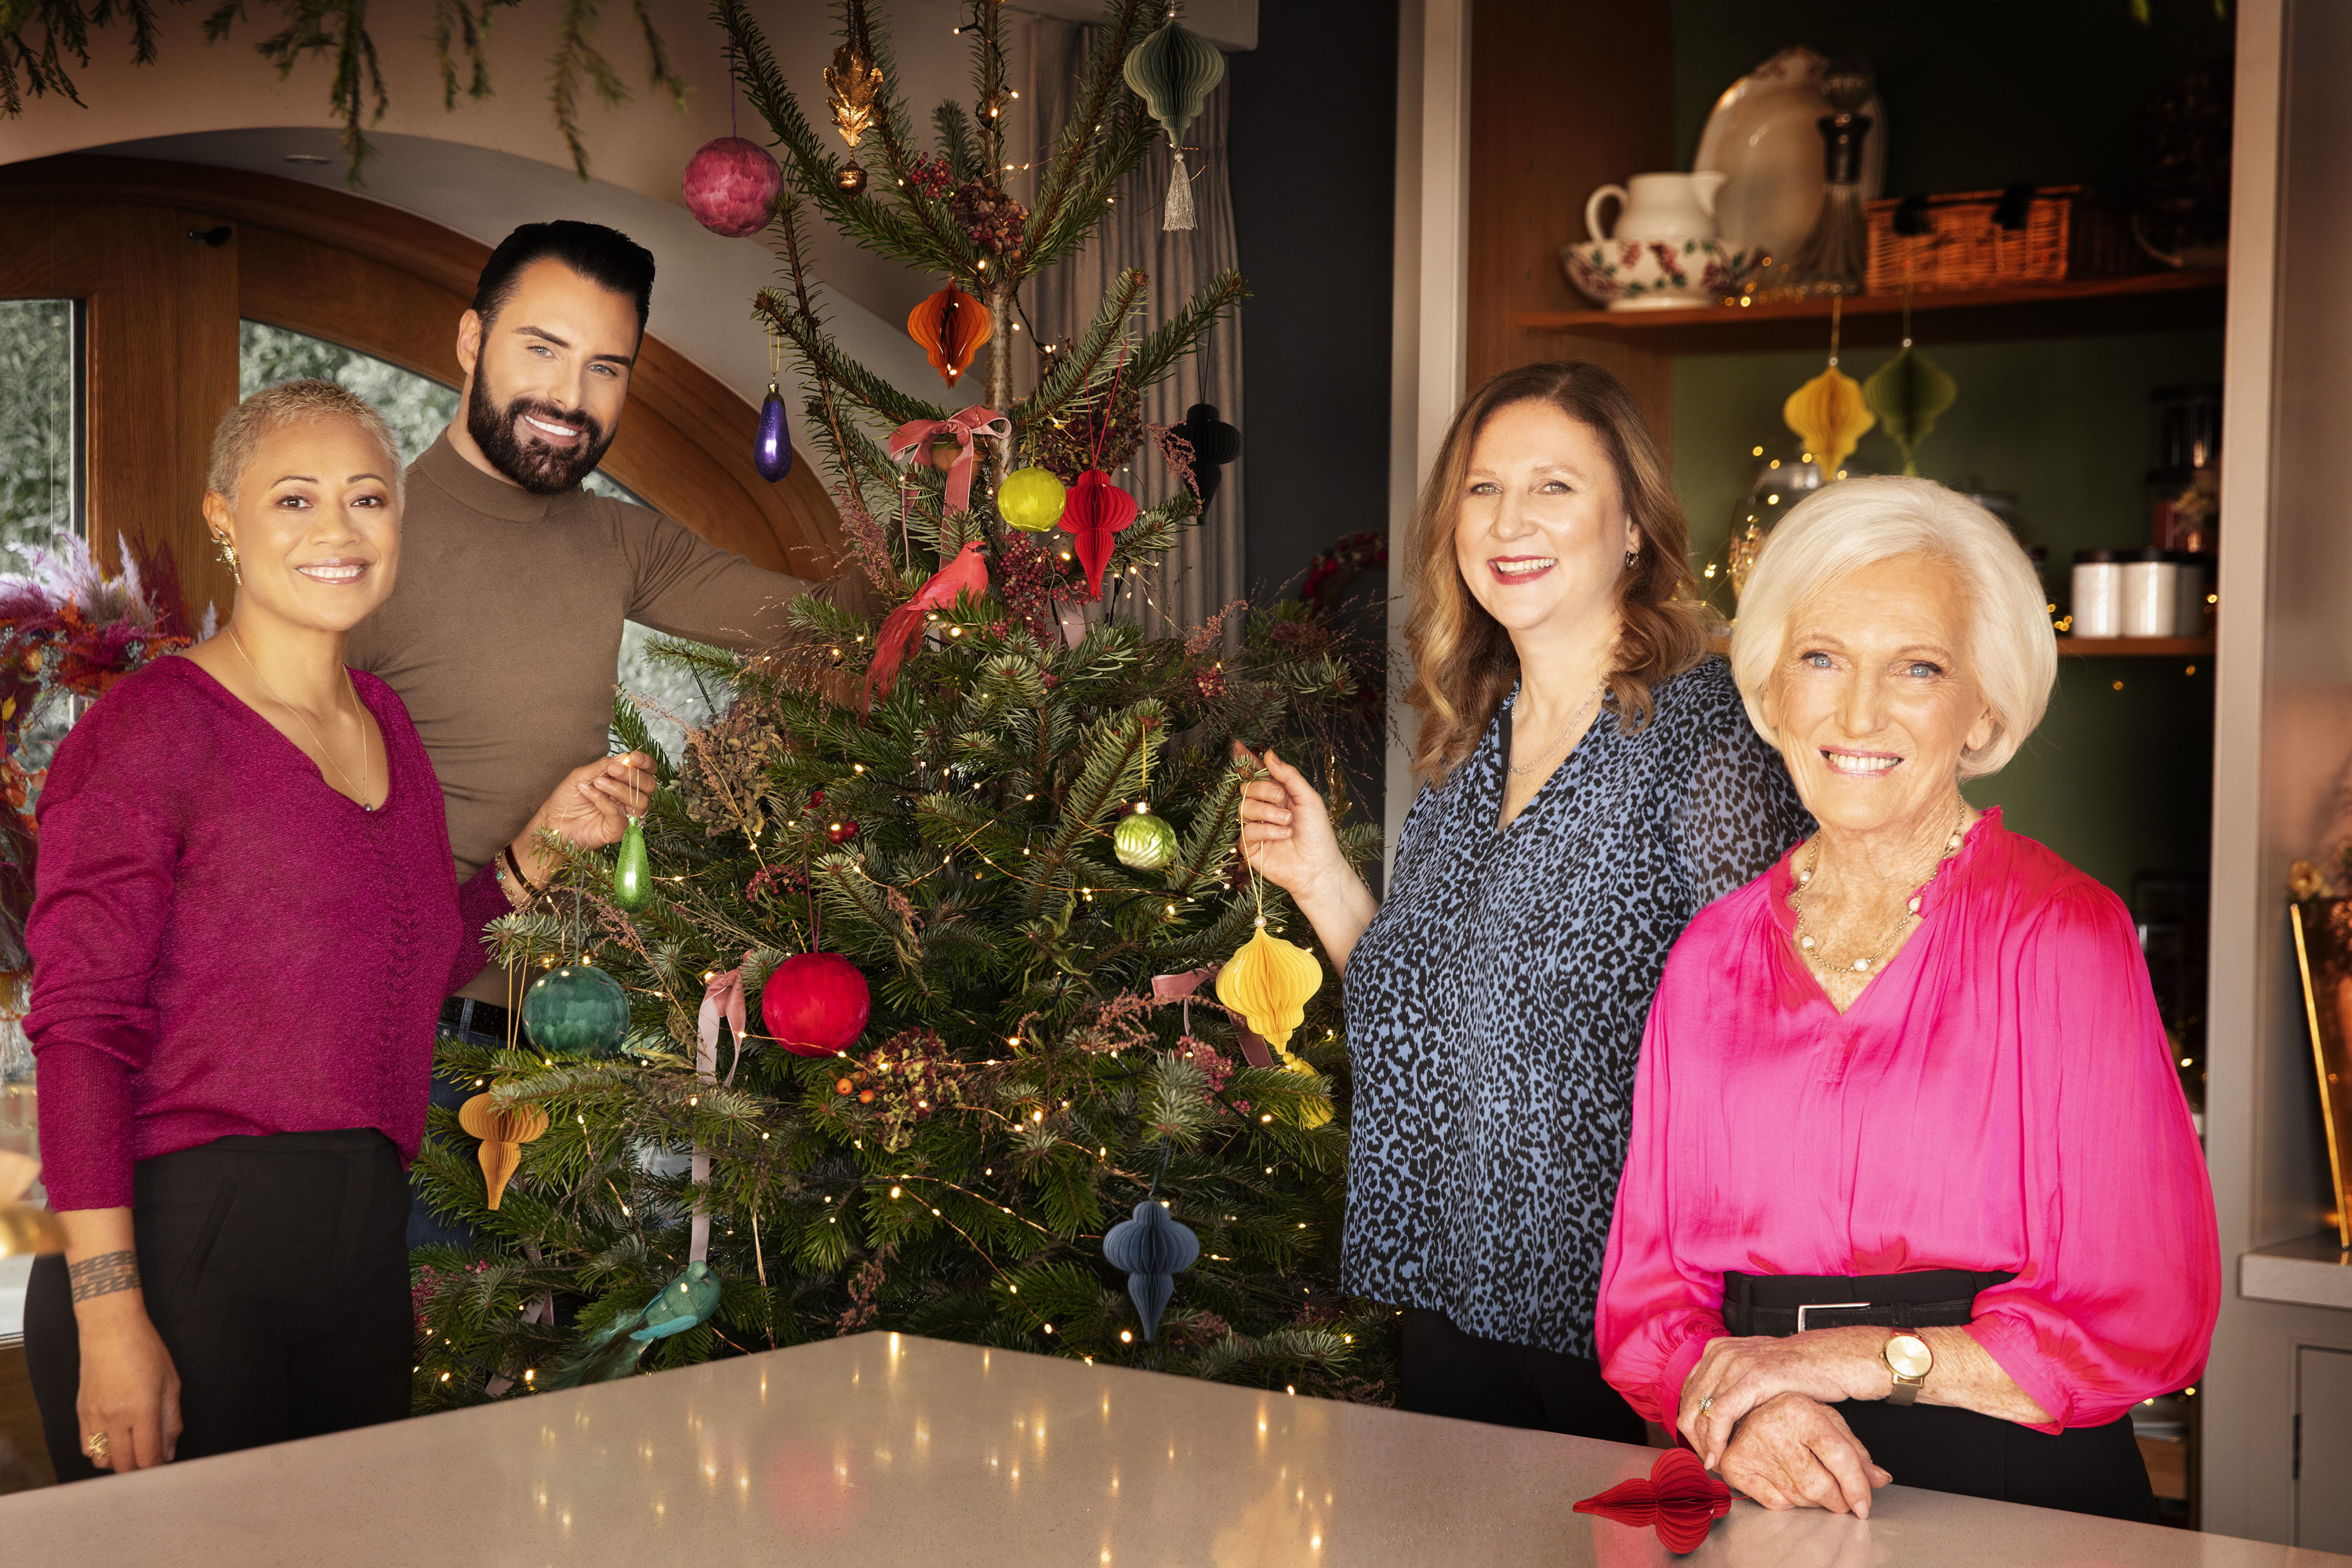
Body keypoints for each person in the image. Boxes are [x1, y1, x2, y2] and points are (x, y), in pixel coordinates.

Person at [22, 381, 647, 1479]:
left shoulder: (388, 728)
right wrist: (111, 1314)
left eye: (368, 499)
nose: (338, 532)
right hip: (185, 1250)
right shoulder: (151, 733)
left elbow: (405, 971)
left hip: (361, 1253)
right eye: (295, 499)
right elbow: (81, 1028)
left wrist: (535, 852)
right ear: (225, 518)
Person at [1595, 477, 2219, 1523]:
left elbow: (2145, 1314)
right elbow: (1647, 1304)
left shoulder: (2064, 934)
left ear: (1984, 704)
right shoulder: (1710, 957)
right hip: (1769, 1470)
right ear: (1773, 687)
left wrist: (1847, 1360)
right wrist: (1745, 1415)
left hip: (2009, 1481)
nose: (1858, 712)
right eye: (1823, 659)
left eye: (1916, 667)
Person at [1237, 361, 1811, 1439]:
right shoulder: (1467, 752)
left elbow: (1782, 1038)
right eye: (1483, 488)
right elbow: (1439, 1025)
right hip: (1454, 1305)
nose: (1511, 519)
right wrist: (1322, 877)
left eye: (1555, 486)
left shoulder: (1714, 736)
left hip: (1639, 1337)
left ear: (1633, 526)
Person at [341, 221, 822, 1239]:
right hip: (419, 1052)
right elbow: (307, 867)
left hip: (593, 1042)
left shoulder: (617, 540)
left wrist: (964, 556)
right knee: (431, 1380)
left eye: (606, 366)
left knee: (581, 1384)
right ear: (472, 341)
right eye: (541, 350)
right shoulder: (362, 553)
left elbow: (817, 623)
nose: (569, 398)